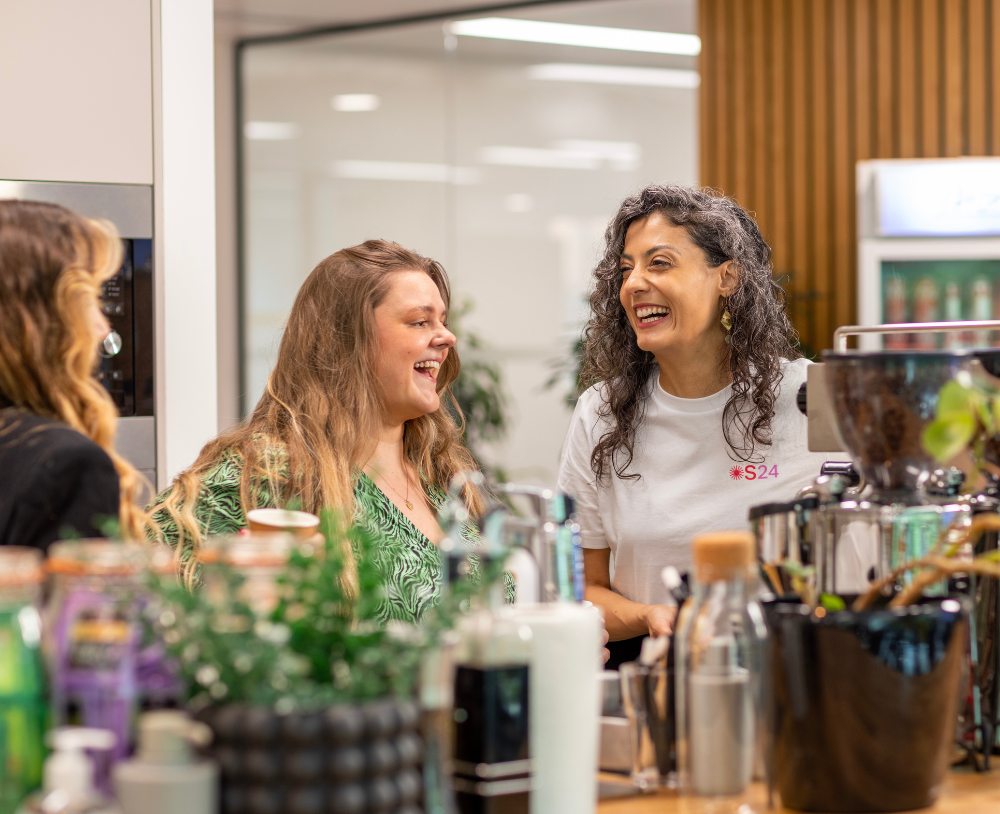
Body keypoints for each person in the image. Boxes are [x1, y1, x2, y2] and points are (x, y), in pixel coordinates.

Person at [557, 185, 840, 661]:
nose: (634, 284)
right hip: (654, 674)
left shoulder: (811, 398)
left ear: (727, 277)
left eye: (659, 263)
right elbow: (582, 587)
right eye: (626, 269)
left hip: (793, 672)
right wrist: (651, 615)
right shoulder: (601, 413)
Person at [151, 240, 499, 622]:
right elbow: (147, 585)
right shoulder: (267, 473)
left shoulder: (442, 473)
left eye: (443, 321)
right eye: (420, 322)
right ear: (346, 340)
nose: (446, 337)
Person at [0, 200, 148, 549]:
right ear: (40, 322)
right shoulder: (67, 463)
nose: (103, 326)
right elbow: (82, 604)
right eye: (93, 300)